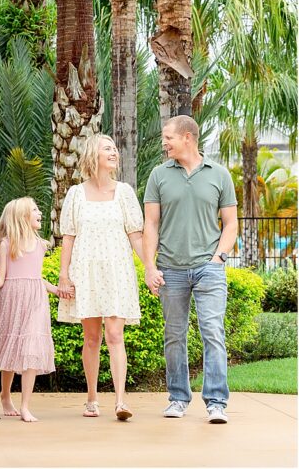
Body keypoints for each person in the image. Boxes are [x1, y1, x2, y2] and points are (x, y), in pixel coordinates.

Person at [143, 116, 238, 424]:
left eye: (168, 137)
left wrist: (219, 258)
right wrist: (149, 266)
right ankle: (178, 398)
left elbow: (231, 223)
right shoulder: (158, 175)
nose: (164, 142)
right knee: (174, 335)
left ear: (187, 137)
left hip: (208, 268)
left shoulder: (219, 175)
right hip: (170, 269)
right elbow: (151, 225)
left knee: (213, 332)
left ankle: (216, 402)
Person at [56, 134, 144, 421]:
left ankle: (120, 402)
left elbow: (136, 235)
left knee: (115, 334)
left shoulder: (125, 193)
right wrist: (64, 276)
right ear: (94, 154)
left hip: (117, 272)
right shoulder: (75, 194)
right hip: (86, 273)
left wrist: (151, 267)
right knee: (91, 338)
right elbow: (68, 237)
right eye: (108, 148)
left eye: (115, 149)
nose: (114, 153)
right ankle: (92, 398)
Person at [0, 198, 58, 422]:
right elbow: (1, 278)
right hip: (11, 300)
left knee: (31, 348)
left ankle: (25, 406)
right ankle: (5, 395)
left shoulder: (41, 244)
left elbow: (37, 277)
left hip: (35, 300)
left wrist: (56, 289)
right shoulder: (7, 244)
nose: (39, 212)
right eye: (34, 209)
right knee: (11, 346)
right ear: (22, 217)